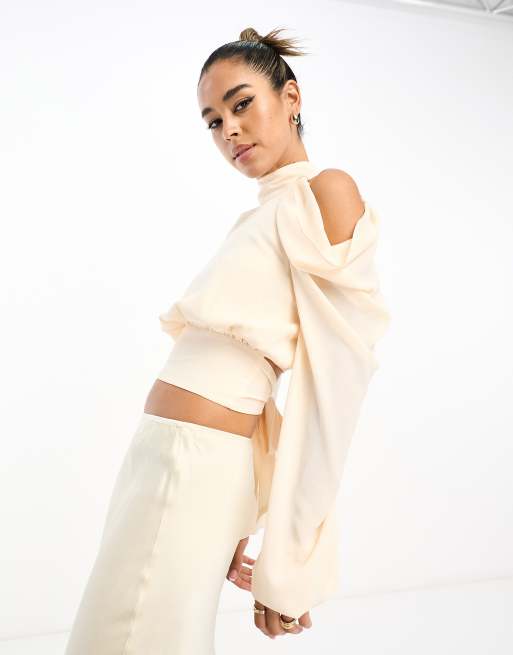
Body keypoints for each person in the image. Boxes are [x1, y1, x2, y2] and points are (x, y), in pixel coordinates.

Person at [64, 26, 391, 655]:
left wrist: (291, 559)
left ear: (291, 97)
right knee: (123, 630)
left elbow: (337, 386)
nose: (229, 131)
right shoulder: (260, 214)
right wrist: (245, 502)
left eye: (241, 105)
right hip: (166, 459)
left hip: (194, 462)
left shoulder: (326, 191)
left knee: (135, 638)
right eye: (213, 122)